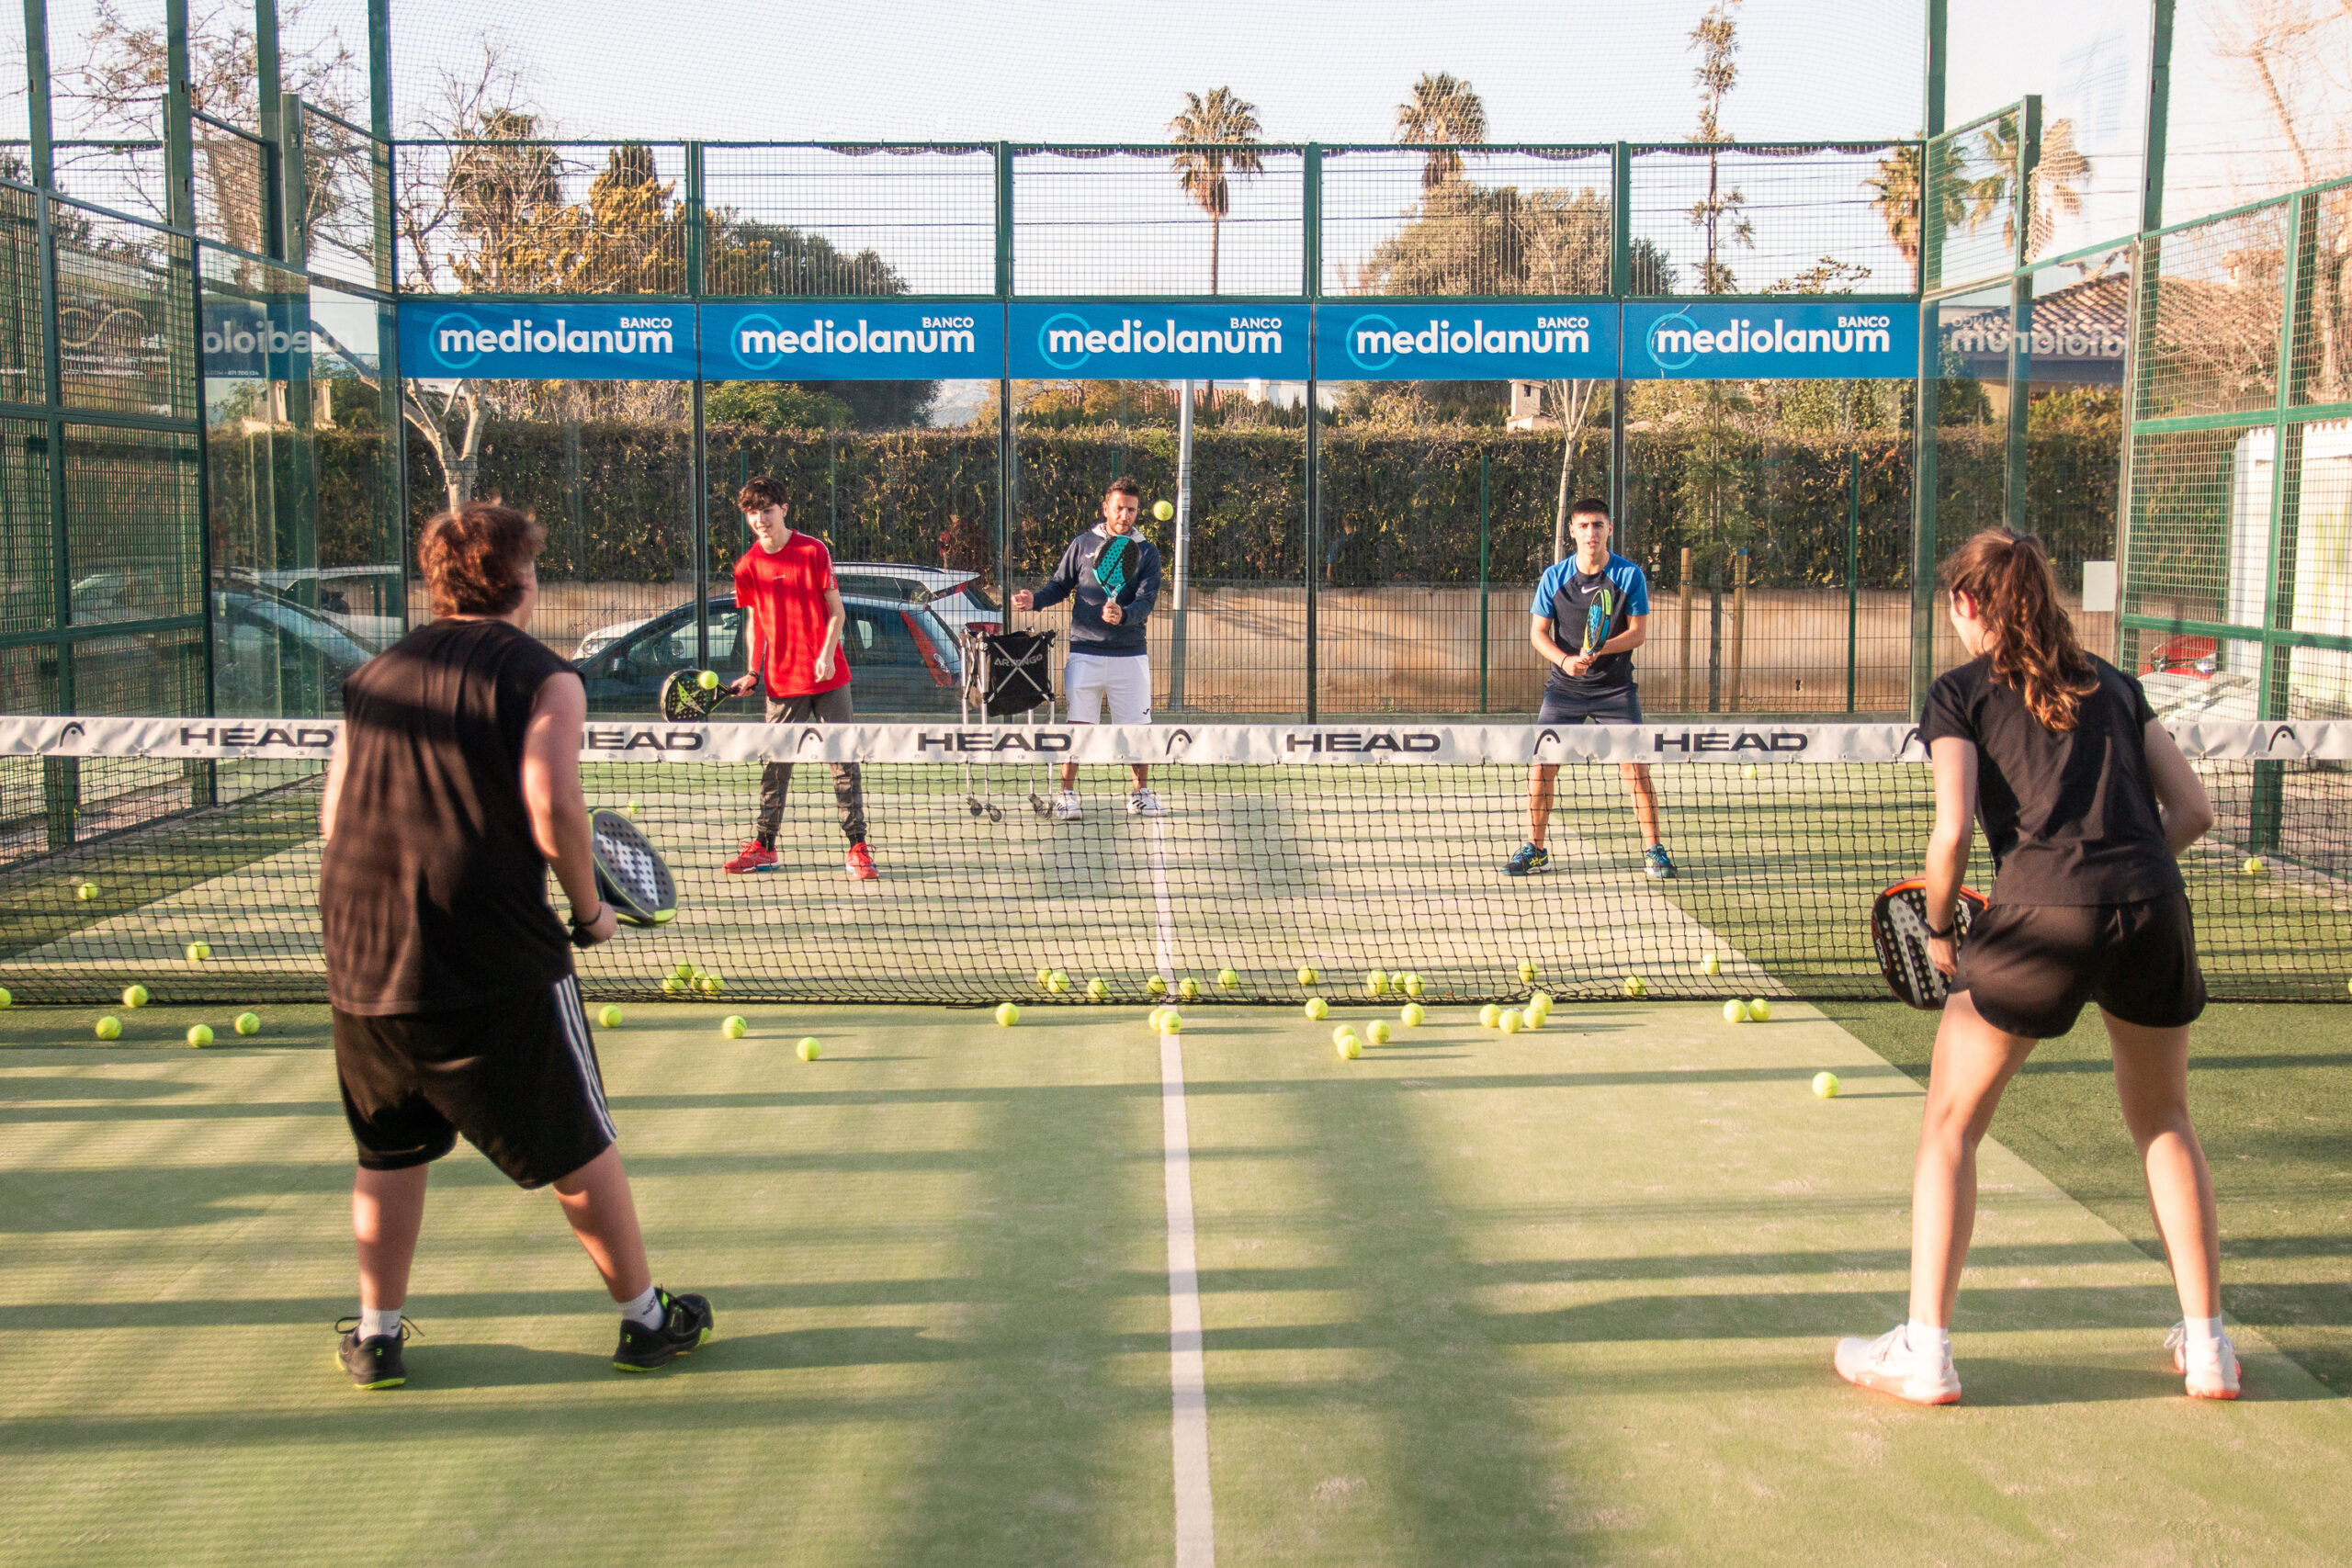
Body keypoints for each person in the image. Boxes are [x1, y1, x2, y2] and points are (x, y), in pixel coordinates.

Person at [318, 502, 713, 1388]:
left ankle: (377, 1333)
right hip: (491, 949)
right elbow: (552, 801)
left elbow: (333, 814)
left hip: (361, 950)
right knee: (577, 1139)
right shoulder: (546, 676)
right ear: (522, 583)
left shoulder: (373, 674)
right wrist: (590, 910)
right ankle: (646, 1321)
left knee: (388, 1146)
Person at [1836, 528, 2227, 1405]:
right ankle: (2210, 1349)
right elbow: (2193, 807)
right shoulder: (2117, 683)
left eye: (1954, 604)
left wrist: (1941, 929)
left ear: (1968, 606)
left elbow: (1951, 833)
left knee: (1948, 1129)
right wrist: (2122, 878)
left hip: (2038, 917)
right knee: (2165, 1120)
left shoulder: (1959, 693)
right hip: (2154, 908)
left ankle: (1926, 1353)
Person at [1505, 499, 1676, 879]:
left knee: (1635, 768)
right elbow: (1538, 634)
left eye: (1598, 525)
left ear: (1609, 529)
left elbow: (1637, 634)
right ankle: (1534, 849)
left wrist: (1598, 648)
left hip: (1615, 688)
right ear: (1572, 530)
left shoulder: (1630, 576)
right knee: (1541, 767)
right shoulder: (1554, 577)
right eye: (1583, 526)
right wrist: (1566, 661)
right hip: (1563, 688)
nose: (1591, 533)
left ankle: (1654, 850)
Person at [722, 477, 877, 880]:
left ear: (784, 509)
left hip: (830, 679)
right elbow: (754, 623)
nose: (760, 519)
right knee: (776, 763)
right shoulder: (747, 566)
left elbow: (837, 613)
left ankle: (857, 847)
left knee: (843, 761)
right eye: (752, 513)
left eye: (767, 511)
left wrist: (826, 654)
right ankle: (765, 847)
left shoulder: (812, 551)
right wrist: (754, 670)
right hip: (780, 682)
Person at [1012, 474, 1164, 819]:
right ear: (1105, 508)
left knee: (1138, 730)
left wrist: (1123, 614)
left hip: (1130, 655)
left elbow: (1146, 601)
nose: (1125, 515)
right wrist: (1034, 599)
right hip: (1085, 652)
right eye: (1119, 508)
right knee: (1078, 727)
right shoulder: (1082, 544)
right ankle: (1067, 795)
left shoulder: (1148, 553)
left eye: (1132, 509)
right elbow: (1059, 586)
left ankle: (1140, 793)